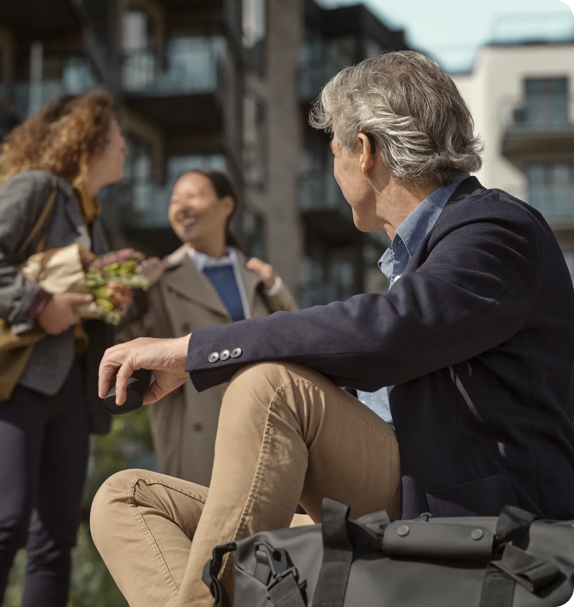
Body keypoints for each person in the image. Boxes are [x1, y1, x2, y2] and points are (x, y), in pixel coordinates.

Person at [91, 51, 574, 607]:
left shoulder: (495, 230)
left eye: (334, 152)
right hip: (398, 486)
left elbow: (387, 332)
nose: (335, 167)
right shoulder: (429, 254)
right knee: (126, 497)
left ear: (364, 151)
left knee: (269, 388)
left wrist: (194, 350)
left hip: (473, 510)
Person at [0, 89, 128, 607]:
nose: (124, 146)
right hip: (13, 378)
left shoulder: (87, 213)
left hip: (69, 388)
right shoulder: (35, 188)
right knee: (5, 520)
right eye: (117, 135)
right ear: (88, 139)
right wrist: (35, 305)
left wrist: (126, 286)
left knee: (56, 541)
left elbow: (83, 305)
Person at [121, 168, 297, 485]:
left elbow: (293, 339)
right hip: (195, 427)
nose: (181, 207)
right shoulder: (160, 278)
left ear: (226, 205)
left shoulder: (254, 276)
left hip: (258, 418)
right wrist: (136, 293)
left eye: (192, 195)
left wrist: (274, 289)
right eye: (174, 200)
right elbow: (127, 346)